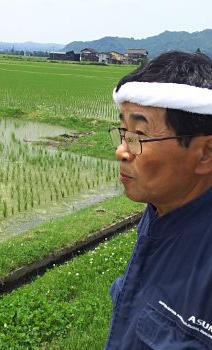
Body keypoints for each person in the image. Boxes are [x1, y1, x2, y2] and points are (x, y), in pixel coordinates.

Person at [105, 51, 212, 349]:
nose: (122, 151)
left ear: (205, 153)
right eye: (124, 131)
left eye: (139, 133)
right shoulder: (161, 210)